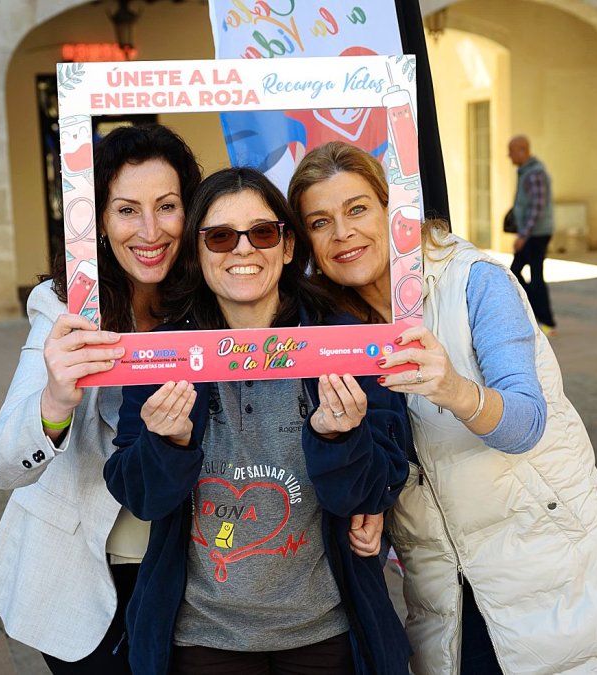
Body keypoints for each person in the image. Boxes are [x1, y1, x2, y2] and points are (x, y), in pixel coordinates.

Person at [288, 141, 597, 675]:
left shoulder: (475, 281)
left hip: (550, 565)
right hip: (444, 584)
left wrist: (454, 388)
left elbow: (526, 423)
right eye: (320, 221)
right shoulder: (333, 327)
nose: (342, 233)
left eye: (357, 209)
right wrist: (375, 508)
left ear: (392, 210)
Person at [103, 167, 412, 675]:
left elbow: (372, 492)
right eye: (221, 237)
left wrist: (339, 438)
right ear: (197, 253)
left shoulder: (341, 341)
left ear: (287, 247)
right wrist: (168, 444)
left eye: (262, 233)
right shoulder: (163, 354)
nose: (243, 250)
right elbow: (141, 497)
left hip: (325, 632)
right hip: (200, 638)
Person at [0, 124, 203, 674]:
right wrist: (53, 402)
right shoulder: (62, 308)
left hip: (194, 574)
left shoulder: (209, 298)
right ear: (96, 219)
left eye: (167, 206)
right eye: (127, 210)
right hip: (81, 574)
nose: (150, 230)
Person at [507, 135, 557, 335]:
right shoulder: (526, 172)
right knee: (516, 273)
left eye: (511, 151)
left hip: (536, 235)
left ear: (522, 150)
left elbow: (537, 208)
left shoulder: (534, 174)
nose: (509, 156)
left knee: (534, 277)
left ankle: (546, 321)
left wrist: (523, 236)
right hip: (531, 234)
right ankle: (536, 314)